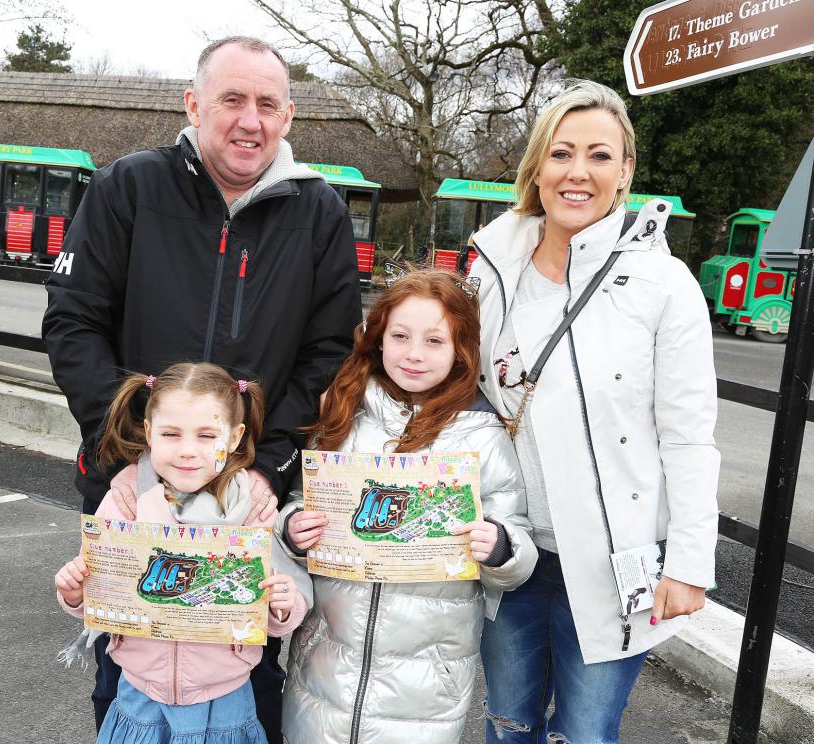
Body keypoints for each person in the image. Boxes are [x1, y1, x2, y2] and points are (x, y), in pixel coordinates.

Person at [42, 36, 361, 739]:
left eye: (268, 104)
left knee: (249, 677)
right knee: (125, 674)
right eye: (232, 100)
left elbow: (330, 354)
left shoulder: (320, 213)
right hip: (129, 483)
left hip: (247, 497)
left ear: (288, 116)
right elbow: (73, 320)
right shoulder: (127, 187)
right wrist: (129, 448)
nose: (250, 120)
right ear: (193, 104)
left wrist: (267, 463)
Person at [469, 79, 720, 743]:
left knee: (585, 733)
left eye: (599, 155)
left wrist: (688, 564)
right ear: (537, 168)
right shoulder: (491, 271)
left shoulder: (664, 284)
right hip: (510, 552)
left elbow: (689, 436)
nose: (577, 172)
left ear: (625, 171)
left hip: (615, 562)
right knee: (508, 723)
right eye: (561, 153)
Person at [277, 269, 538, 744]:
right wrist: (293, 529)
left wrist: (500, 547)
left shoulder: (482, 438)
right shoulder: (343, 414)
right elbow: (298, 501)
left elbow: (517, 546)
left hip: (426, 684)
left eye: (434, 341)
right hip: (326, 667)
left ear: (461, 350)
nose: (414, 354)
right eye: (400, 336)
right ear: (378, 338)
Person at [55, 362, 310, 744]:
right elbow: (100, 591)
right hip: (139, 697)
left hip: (225, 701)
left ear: (235, 437)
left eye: (207, 435)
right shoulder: (125, 502)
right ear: (148, 432)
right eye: (171, 434)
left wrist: (282, 605)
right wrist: (75, 593)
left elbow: (279, 611)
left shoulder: (253, 509)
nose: (188, 451)